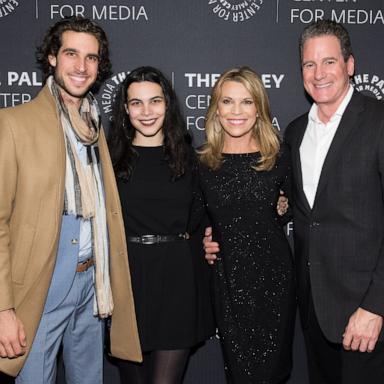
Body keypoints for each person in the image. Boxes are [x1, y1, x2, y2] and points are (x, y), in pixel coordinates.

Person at [205, 20, 384, 384]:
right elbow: (280, 205)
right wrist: (214, 235)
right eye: (309, 64)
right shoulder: (295, 132)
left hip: (367, 311)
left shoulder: (379, 121)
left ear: (350, 65)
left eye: (329, 62)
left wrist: (376, 305)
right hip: (312, 307)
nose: (319, 74)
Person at [0, 16, 141, 383]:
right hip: (40, 287)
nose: (81, 67)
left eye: (91, 58)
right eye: (71, 54)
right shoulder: (14, 124)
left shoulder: (95, 126)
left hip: (92, 286)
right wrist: (3, 309)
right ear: (51, 57)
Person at [108, 66, 214, 384]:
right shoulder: (109, 160)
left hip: (178, 281)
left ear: (167, 104)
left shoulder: (192, 159)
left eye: (155, 101)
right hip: (126, 282)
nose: (147, 111)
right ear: (125, 110)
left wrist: (280, 201)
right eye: (137, 103)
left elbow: (210, 213)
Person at [198, 66, 295, 383]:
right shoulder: (202, 162)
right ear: (216, 108)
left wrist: (281, 208)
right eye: (227, 102)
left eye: (246, 101)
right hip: (228, 283)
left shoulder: (280, 156)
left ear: (259, 109)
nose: (236, 111)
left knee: (272, 373)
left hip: (274, 281)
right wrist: (203, 238)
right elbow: (192, 219)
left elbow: (299, 207)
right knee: (239, 372)